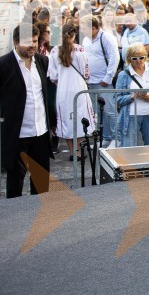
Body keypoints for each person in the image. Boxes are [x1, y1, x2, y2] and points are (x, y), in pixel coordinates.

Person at [0, 24, 56, 197]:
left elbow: (45, 95)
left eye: (34, 41)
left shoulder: (42, 61)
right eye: (28, 42)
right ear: (16, 42)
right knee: (15, 184)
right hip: (17, 134)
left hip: (40, 133)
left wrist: (52, 122)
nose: (32, 45)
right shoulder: (4, 64)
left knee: (41, 184)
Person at [48, 22, 96, 160]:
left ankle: (72, 152)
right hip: (79, 89)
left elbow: (53, 76)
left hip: (63, 90)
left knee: (68, 121)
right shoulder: (80, 51)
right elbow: (86, 74)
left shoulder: (54, 51)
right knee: (80, 119)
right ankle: (78, 152)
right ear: (74, 35)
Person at [115, 42, 149, 147]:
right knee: (128, 149)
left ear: (145, 56)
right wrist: (133, 96)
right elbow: (117, 98)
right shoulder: (123, 75)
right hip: (130, 116)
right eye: (134, 58)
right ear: (129, 59)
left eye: (141, 57)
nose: (139, 61)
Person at [81, 16, 119, 148]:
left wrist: (107, 78)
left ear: (94, 27)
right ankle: (105, 138)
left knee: (110, 110)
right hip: (91, 82)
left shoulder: (106, 38)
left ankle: (116, 139)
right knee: (98, 112)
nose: (82, 30)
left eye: (84, 28)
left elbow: (114, 57)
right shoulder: (86, 40)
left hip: (103, 82)